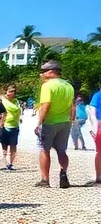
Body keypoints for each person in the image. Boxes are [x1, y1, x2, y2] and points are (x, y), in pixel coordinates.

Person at [33, 60, 73, 188]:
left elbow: (46, 105)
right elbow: (73, 106)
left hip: (50, 122)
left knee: (44, 150)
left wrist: (39, 123)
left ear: (50, 72)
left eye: (43, 72)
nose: (41, 75)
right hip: (65, 122)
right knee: (62, 151)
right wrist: (71, 120)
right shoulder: (68, 86)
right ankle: (63, 173)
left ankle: (45, 180)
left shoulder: (47, 86)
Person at [0, 84, 21, 170]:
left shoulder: (15, 101)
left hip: (14, 126)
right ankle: (4, 163)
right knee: (3, 146)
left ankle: (10, 163)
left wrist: (4, 100)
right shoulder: (3, 101)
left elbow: (16, 109)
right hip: (5, 125)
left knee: (13, 146)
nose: (12, 93)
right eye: (10, 91)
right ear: (6, 92)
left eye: (13, 91)